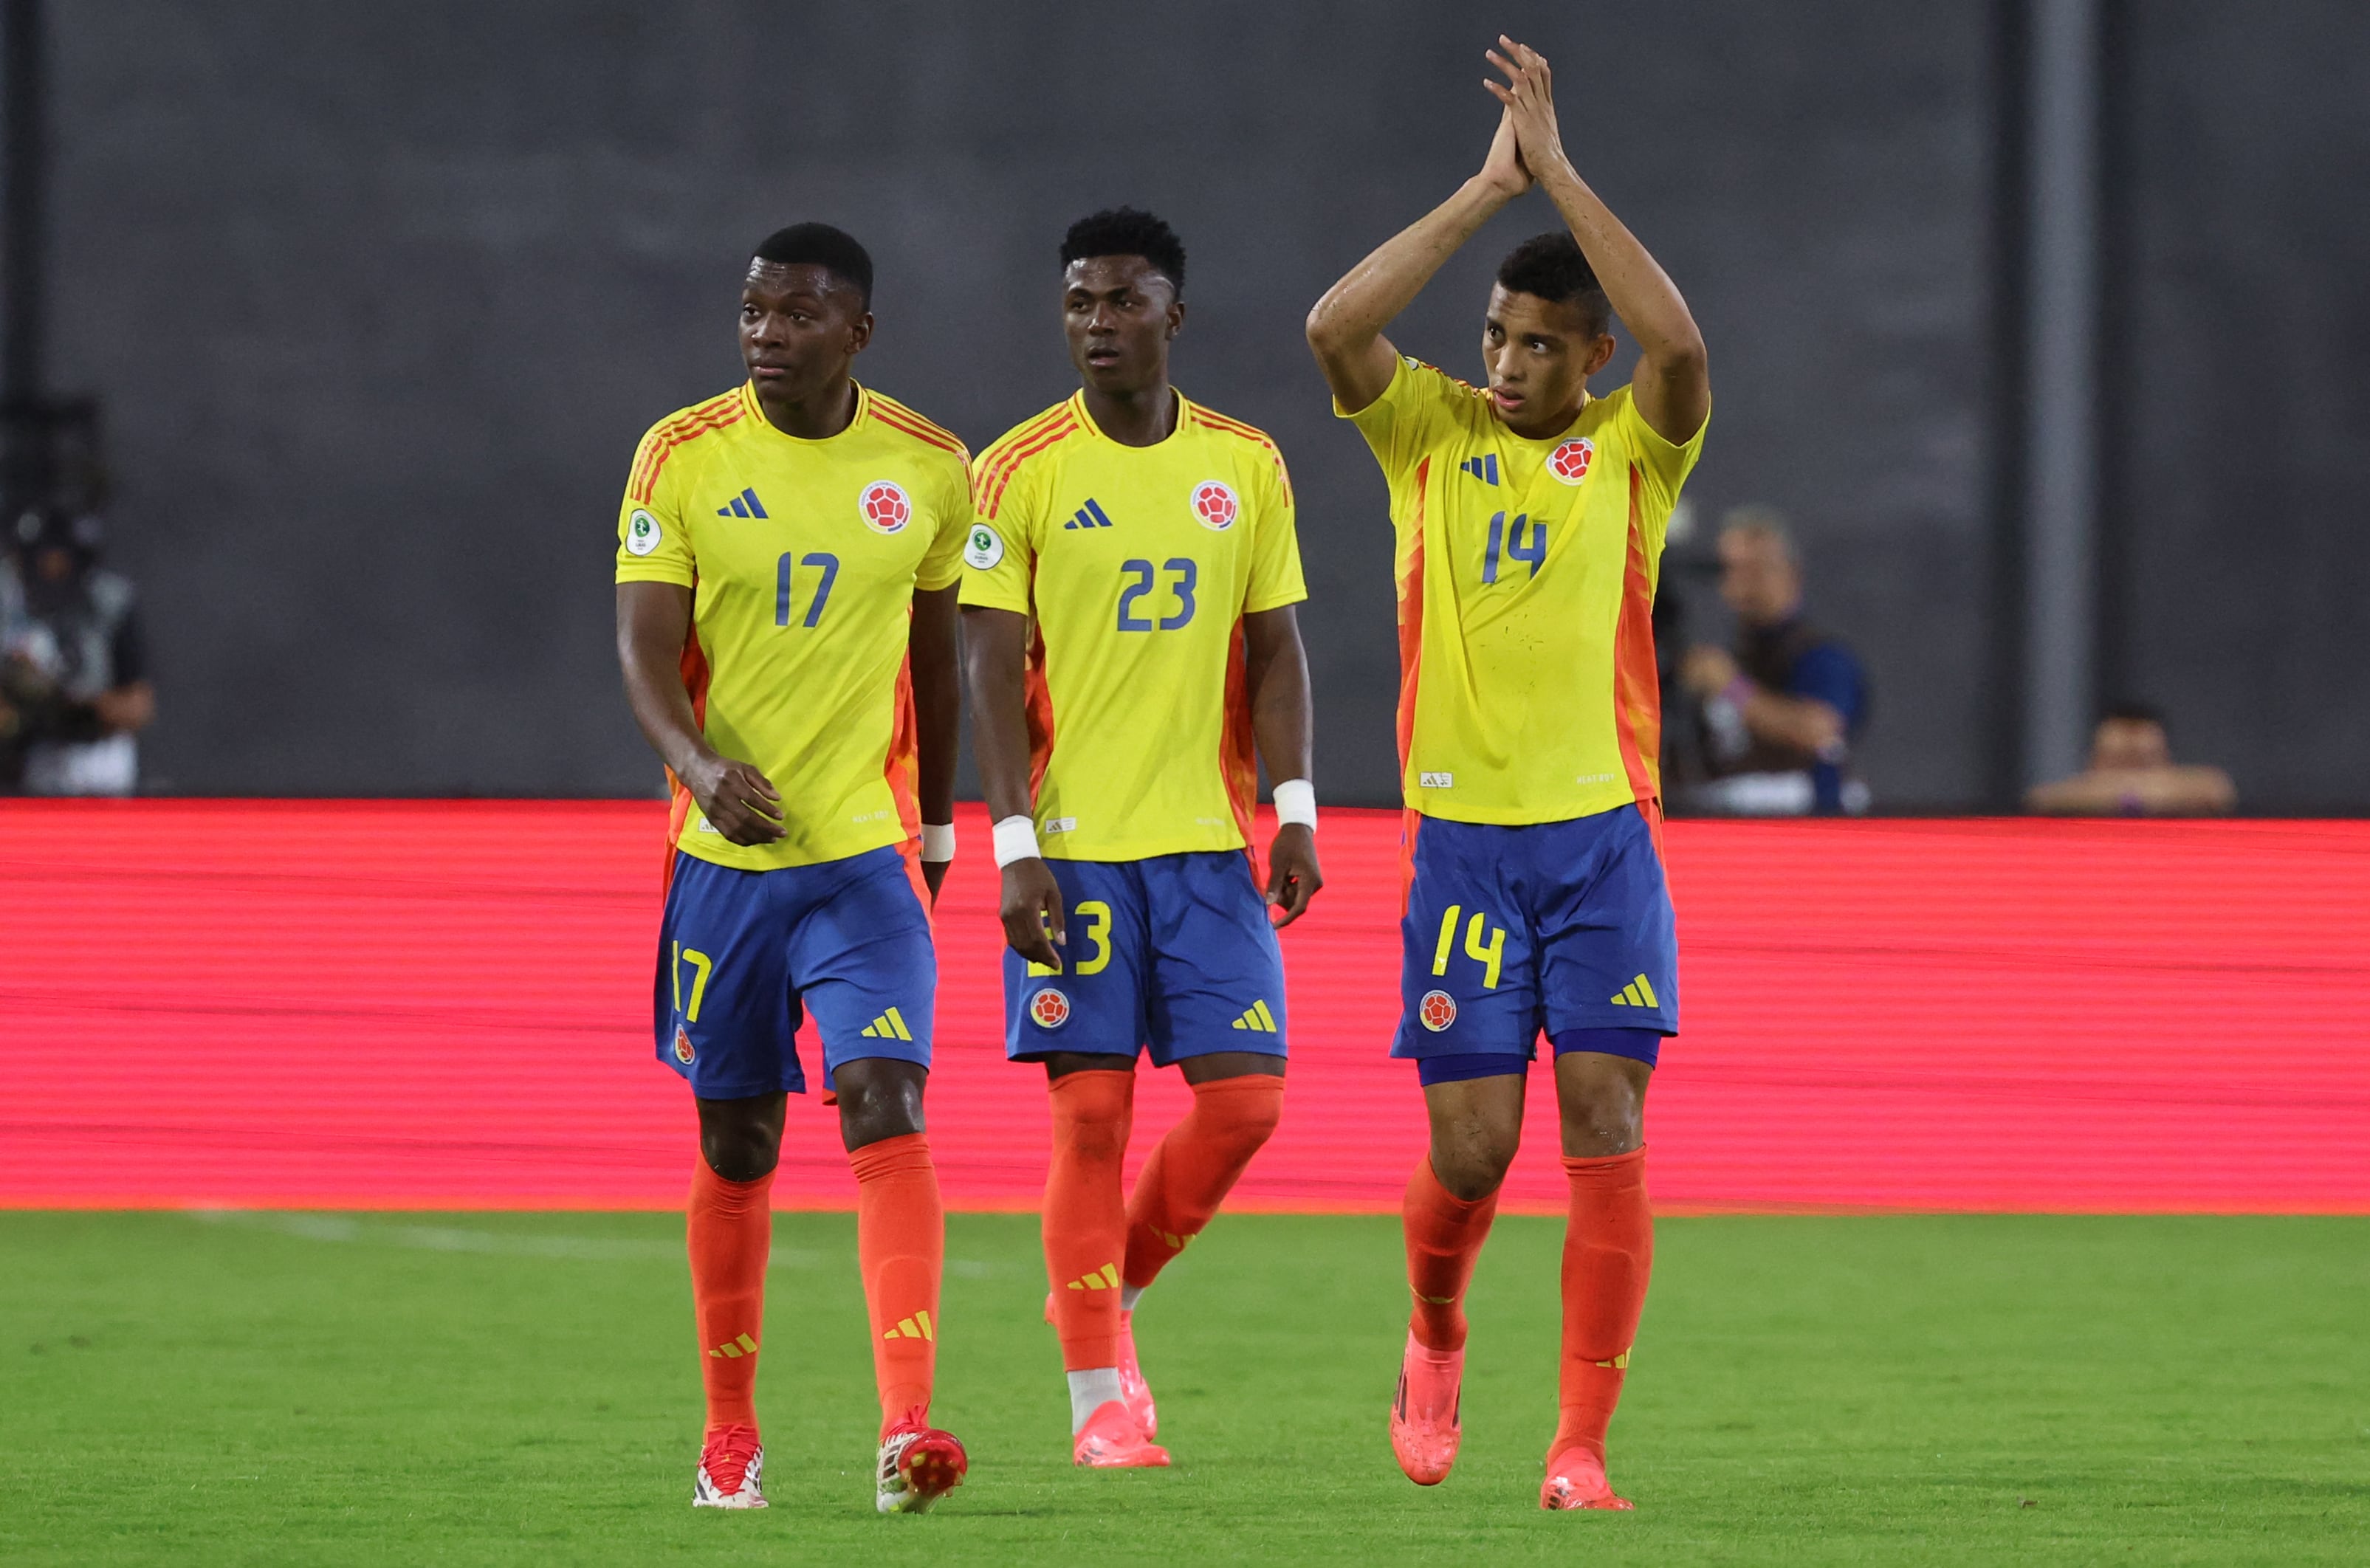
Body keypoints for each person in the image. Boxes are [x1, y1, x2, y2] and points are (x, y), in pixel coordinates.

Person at [1305, 36, 1709, 1511]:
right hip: (1465, 851)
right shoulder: (1428, 437)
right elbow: (1335, 328)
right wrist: (1488, 190)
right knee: (1473, 1154)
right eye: (1497, 337)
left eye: (1542, 344)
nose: (1508, 362)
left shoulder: (1633, 454)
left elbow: (1683, 350)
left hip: (1603, 841)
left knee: (1606, 1120)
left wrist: (1566, 173)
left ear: (1587, 358)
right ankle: (1434, 1330)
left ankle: (1579, 1447)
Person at [613, 223, 969, 1515]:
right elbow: (646, 653)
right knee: (740, 1133)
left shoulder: (932, 469)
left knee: (885, 1097)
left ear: (858, 331)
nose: (768, 332)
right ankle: (730, 1435)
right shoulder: (682, 454)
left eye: (799, 313)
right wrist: (702, 769)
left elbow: (940, 661)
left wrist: (936, 833)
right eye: (755, 310)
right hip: (724, 864)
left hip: (863, 861)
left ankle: (909, 1428)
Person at [961, 207, 1323, 1470]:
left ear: (1176, 315)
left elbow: (1275, 649)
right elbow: (990, 667)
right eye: (1078, 303)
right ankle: (1095, 1403)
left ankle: (1106, 1296)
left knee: (1247, 1103)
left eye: (1122, 301)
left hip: (1208, 841)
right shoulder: (1018, 470)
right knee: (1093, 1118)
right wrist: (1013, 842)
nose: (1096, 324)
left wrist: (1293, 807)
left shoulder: (1249, 465)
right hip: (1074, 845)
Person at [1677, 506, 1869, 815]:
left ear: (1791, 572)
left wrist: (1732, 689)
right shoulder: (1732, 654)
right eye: (1732, 570)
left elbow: (1820, 730)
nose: (1744, 583)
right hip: (1730, 820)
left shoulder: (1820, 656)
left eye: (1757, 569)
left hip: (1809, 823)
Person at [0, 506, 154, 795]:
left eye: (62, 559)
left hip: (100, 755)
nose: (53, 569)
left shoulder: (108, 602)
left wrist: (77, 705)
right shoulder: (9, 602)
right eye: (43, 559)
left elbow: (139, 705)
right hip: (36, 754)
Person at [2025, 702, 2236, 815]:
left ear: (2165, 758)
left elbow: (2217, 790)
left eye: (2141, 761)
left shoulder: (2202, 787)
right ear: (2093, 761)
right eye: (2117, 762)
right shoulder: (2062, 796)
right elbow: (2041, 798)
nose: (2129, 776)